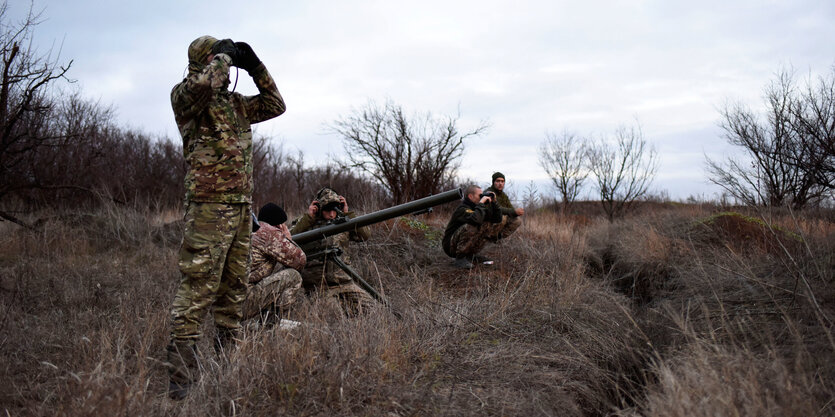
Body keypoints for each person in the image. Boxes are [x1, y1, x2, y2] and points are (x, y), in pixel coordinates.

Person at [166, 35, 286, 400]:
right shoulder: (186, 97)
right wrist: (222, 57)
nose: (227, 65)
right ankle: (181, 380)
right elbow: (203, 83)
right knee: (198, 288)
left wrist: (255, 66)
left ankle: (226, 369)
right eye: (220, 60)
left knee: (233, 292)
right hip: (207, 207)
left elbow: (275, 104)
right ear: (206, 61)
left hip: (238, 209)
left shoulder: (235, 105)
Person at [289, 187, 377, 315]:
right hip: (319, 286)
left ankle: (346, 306)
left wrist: (348, 214)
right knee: (333, 314)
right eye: (327, 210)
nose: (331, 214)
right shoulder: (306, 223)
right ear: (319, 209)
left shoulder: (343, 223)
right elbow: (289, 238)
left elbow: (364, 236)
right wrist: (309, 218)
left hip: (344, 282)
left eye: (334, 210)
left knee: (371, 309)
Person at [243, 203, 305, 324]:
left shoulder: (251, 229)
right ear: (279, 225)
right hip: (244, 303)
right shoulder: (269, 233)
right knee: (293, 276)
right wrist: (287, 239)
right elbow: (300, 261)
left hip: (228, 302)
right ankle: (269, 325)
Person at [441, 184, 510, 269]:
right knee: (473, 224)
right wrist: (481, 204)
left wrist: (494, 202)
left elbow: (497, 219)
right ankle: (460, 258)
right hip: (450, 246)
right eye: (479, 196)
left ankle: (470, 255)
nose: (481, 197)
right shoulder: (462, 209)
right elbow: (475, 220)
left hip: (459, 242)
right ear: (470, 196)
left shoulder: (477, 208)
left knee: (487, 224)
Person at [483, 172, 523, 241]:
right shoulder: (489, 193)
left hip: (499, 220)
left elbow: (510, 208)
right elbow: (496, 209)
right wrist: (513, 211)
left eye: (502, 181)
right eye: (498, 181)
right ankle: (490, 238)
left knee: (517, 220)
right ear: (493, 182)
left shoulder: (503, 195)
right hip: (487, 221)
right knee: (502, 217)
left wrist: (516, 212)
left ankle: (500, 238)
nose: (500, 183)